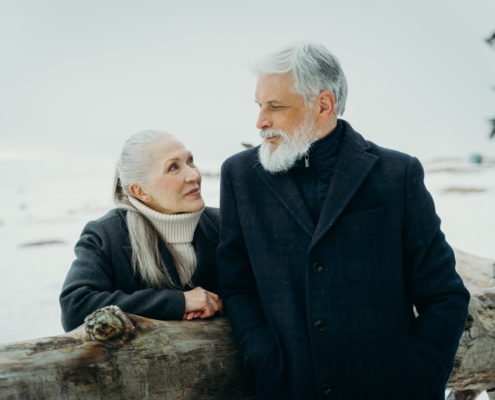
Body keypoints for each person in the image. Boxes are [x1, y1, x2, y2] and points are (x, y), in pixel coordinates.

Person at [217, 42, 470, 400]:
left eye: (274, 106)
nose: (260, 121)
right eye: (260, 106)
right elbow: (236, 283)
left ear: (322, 105)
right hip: (285, 389)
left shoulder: (397, 174)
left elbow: (444, 294)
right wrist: (263, 357)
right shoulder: (240, 176)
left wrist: (419, 375)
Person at [60, 130, 222, 332]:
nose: (194, 174)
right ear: (140, 191)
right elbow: (75, 308)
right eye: (173, 167)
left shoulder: (224, 224)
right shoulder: (107, 235)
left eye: (190, 160)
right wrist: (178, 302)